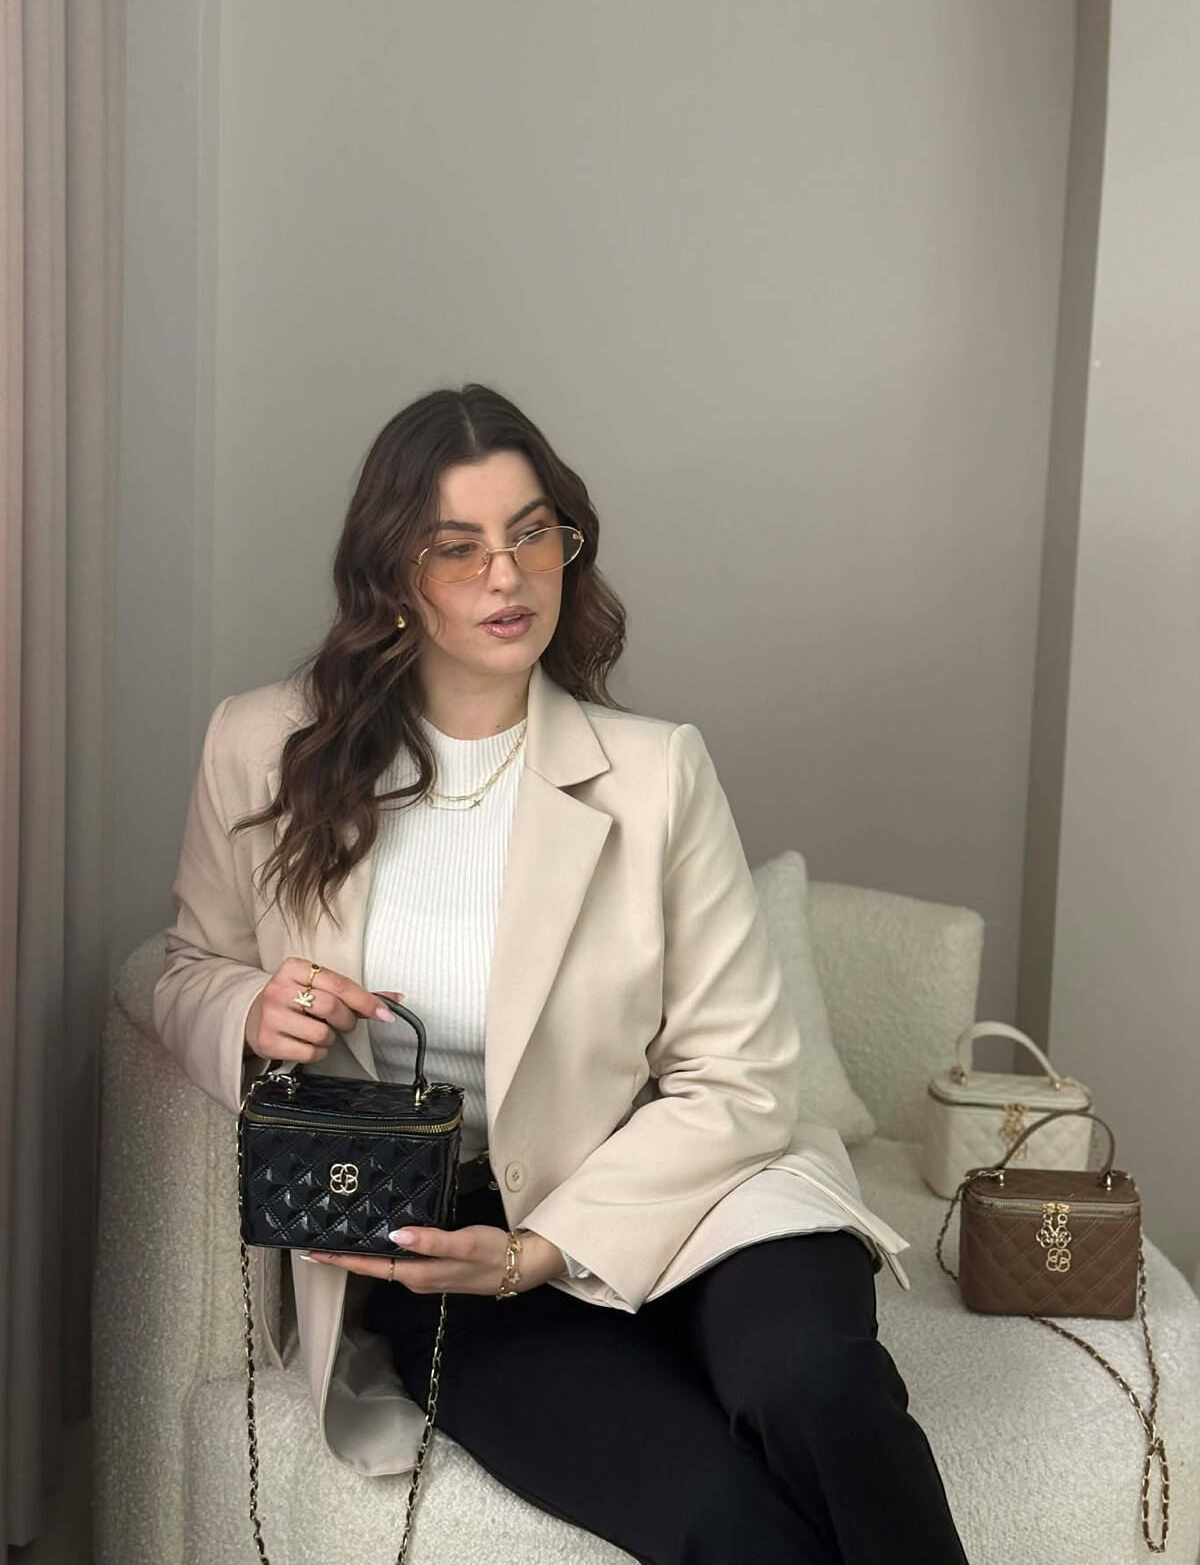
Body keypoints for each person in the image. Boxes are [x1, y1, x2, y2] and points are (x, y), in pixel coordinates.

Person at [154, 383, 971, 1565]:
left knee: (817, 1393)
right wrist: (251, 1008)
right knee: (717, 1515)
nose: (508, 575)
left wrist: (546, 1247)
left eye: (532, 532)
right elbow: (188, 967)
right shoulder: (262, 745)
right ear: (392, 574)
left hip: (705, 1187)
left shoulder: (655, 771)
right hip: (449, 1248)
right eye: (459, 546)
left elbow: (740, 1076)